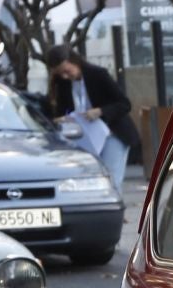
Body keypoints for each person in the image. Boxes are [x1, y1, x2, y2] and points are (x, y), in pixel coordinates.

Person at [46, 44, 139, 191]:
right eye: (60, 74)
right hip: (86, 138)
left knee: (110, 178)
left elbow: (124, 104)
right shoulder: (63, 84)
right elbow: (61, 111)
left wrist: (100, 111)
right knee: (89, 179)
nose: (65, 76)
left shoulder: (97, 74)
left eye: (67, 71)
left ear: (75, 62)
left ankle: (112, 209)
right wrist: (62, 118)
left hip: (112, 132)